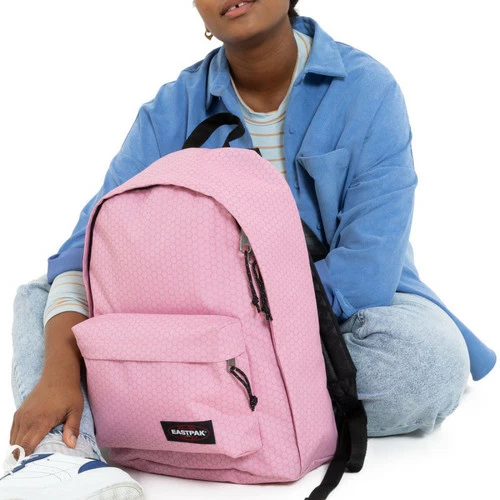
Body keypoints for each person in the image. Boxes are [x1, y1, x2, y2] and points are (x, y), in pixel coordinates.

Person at [1, 1, 496, 498]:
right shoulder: (172, 109)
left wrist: (254, 336)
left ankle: (156, 408)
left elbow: (367, 272)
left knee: (428, 362)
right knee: (43, 297)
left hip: (337, 319)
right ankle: (63, 456)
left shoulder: (368, 90)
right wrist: (60, 368)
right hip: (203, 324)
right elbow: (83, 251)